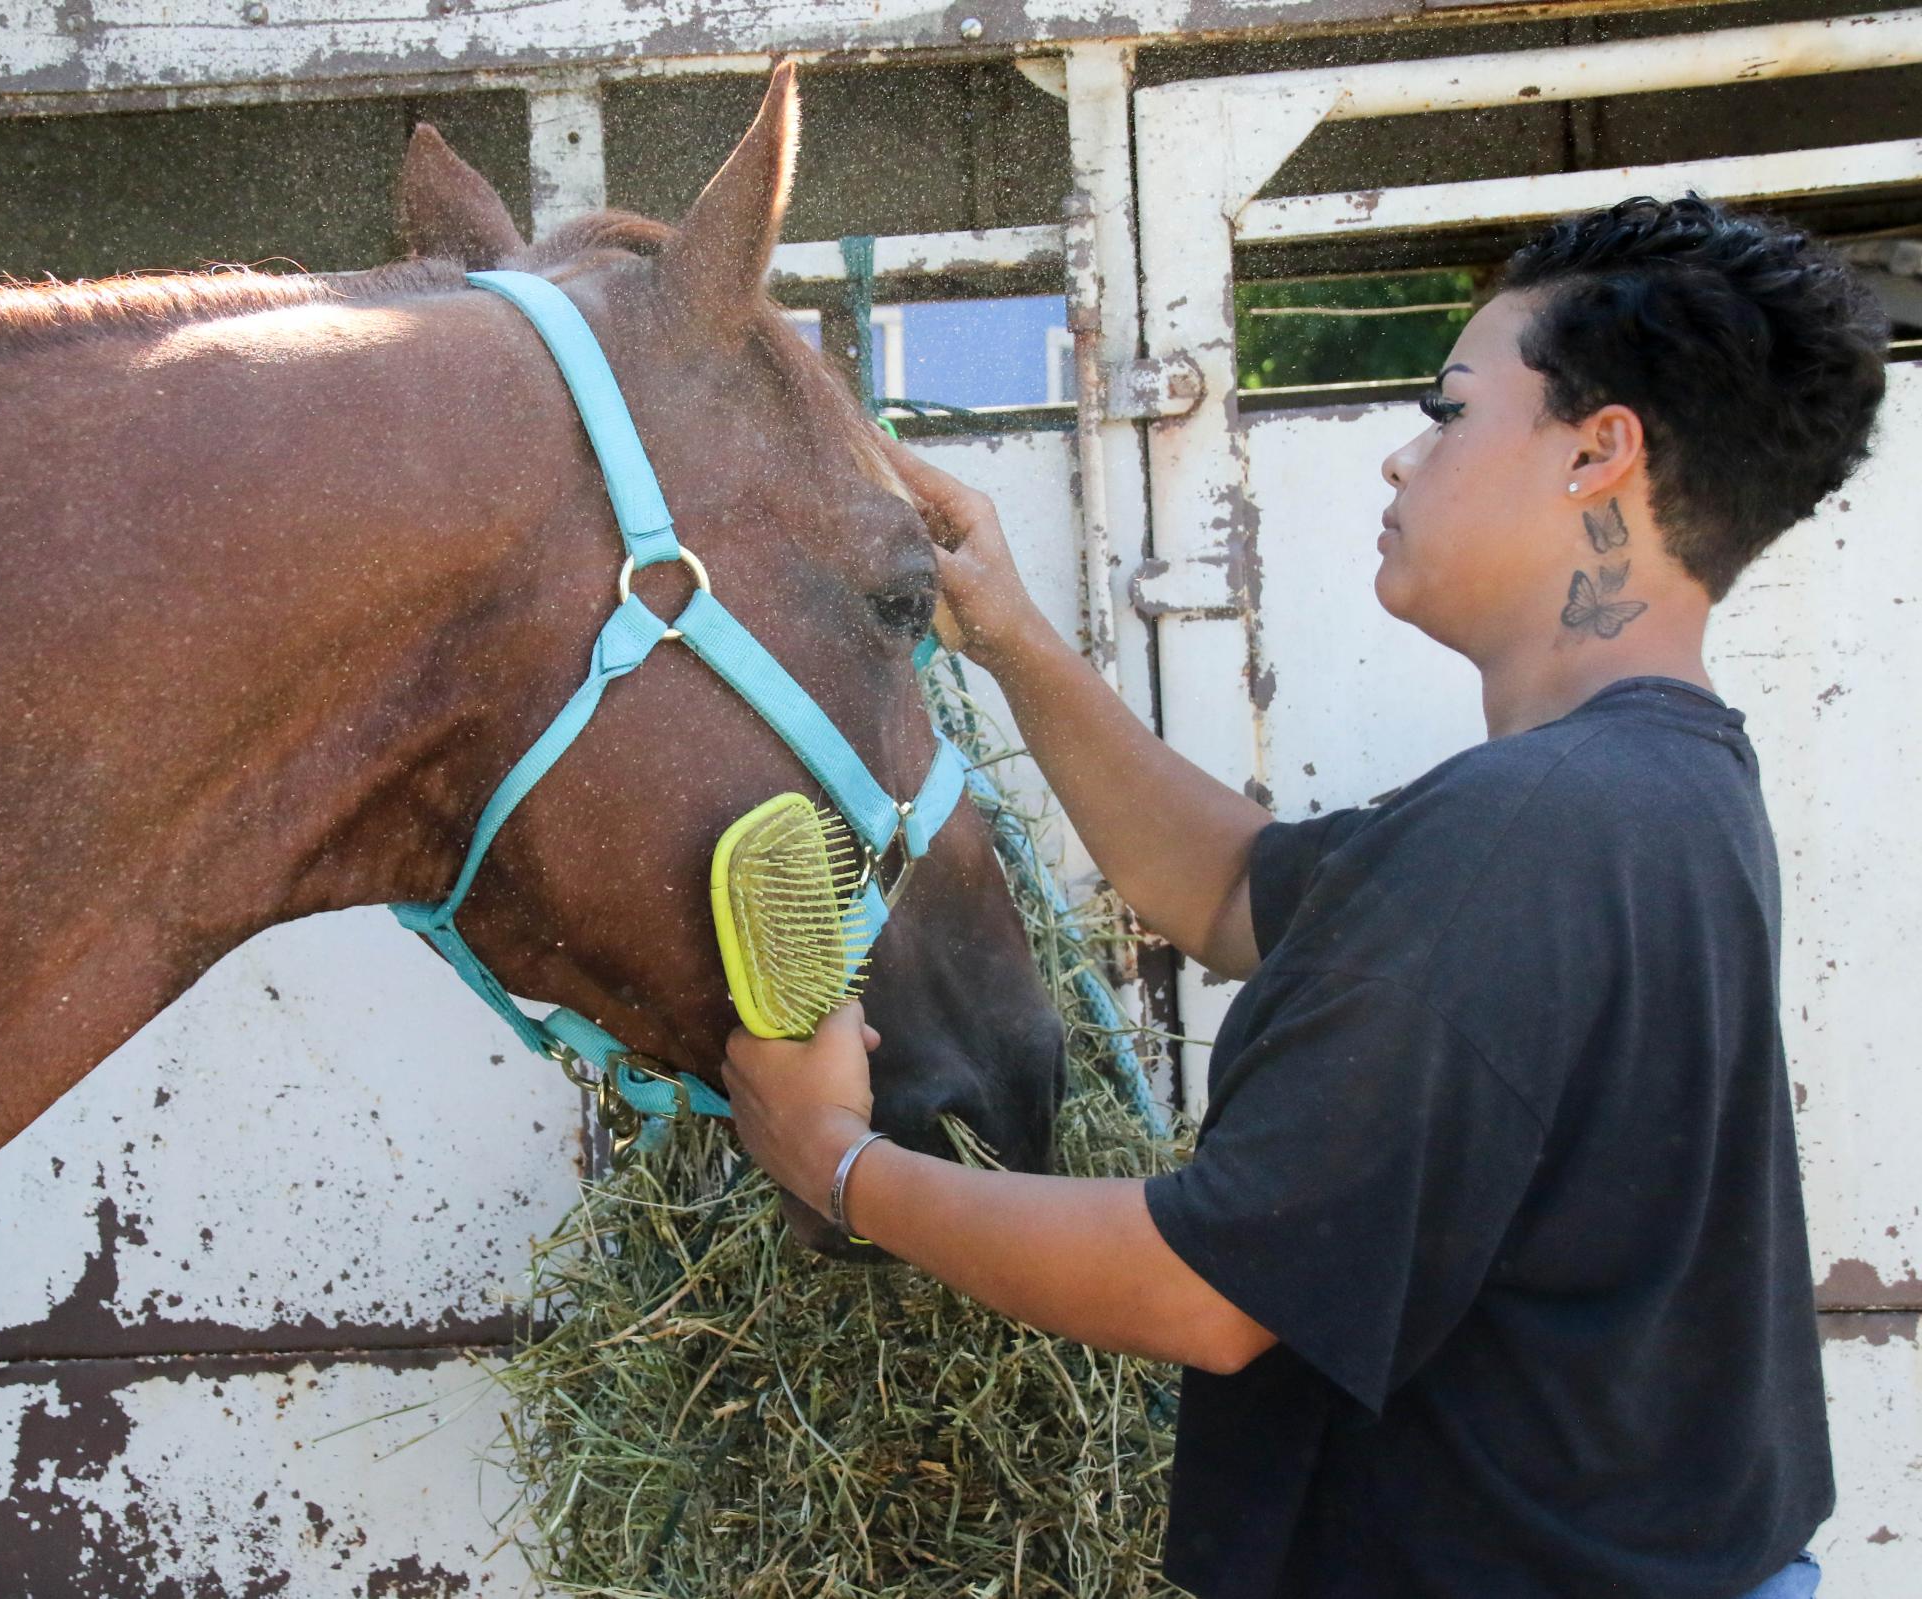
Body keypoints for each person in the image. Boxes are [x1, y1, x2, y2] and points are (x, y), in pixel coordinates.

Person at [718, 195, 1888, 1598]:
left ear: (1599, 450)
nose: (1403, 456)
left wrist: (837, 1165)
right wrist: (1014, 637)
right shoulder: (1661, 792)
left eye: (1448, 413)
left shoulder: (1531, 833)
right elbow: (1219, 887)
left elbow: (1205, 1291)